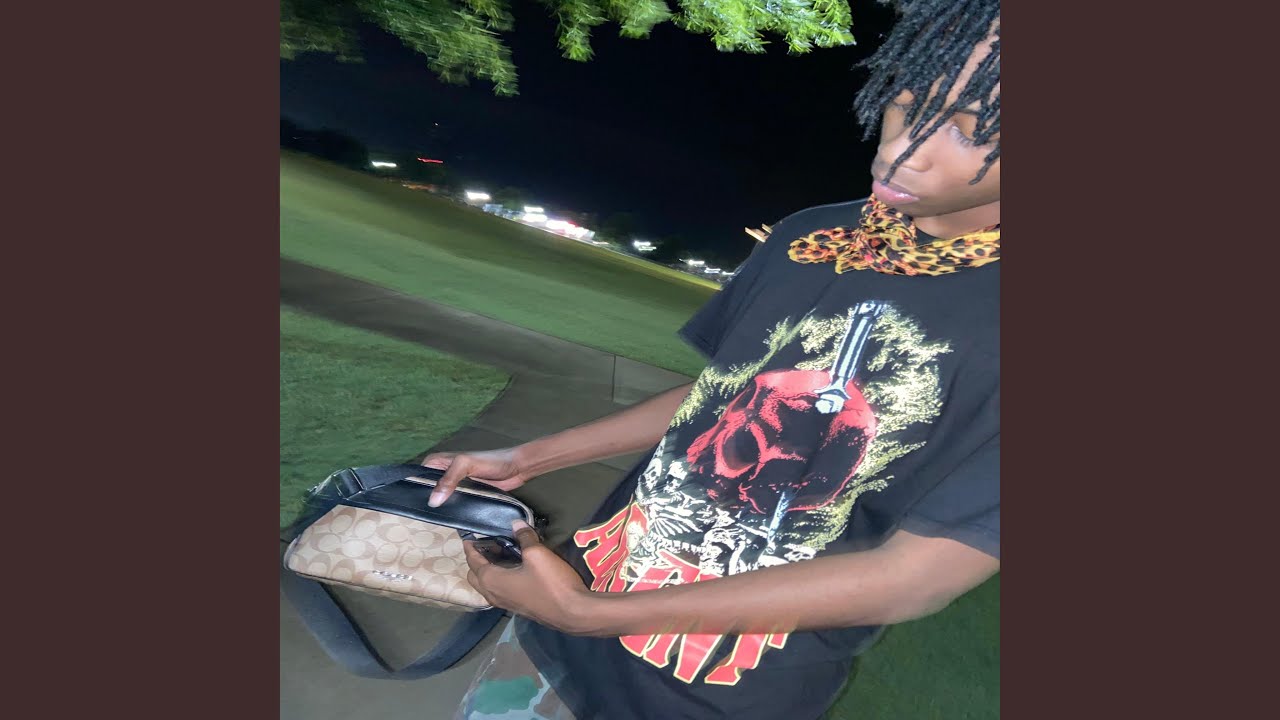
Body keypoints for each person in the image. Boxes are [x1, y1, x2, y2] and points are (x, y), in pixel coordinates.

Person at [429, 1, 1001, 717]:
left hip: (715, 691)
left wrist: (593, 615)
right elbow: (719, 395)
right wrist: (530, 457)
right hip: (562, 620)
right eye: (909, 105)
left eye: (970, 130)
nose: (904, 151)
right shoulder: (813, 237)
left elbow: (916, 577)